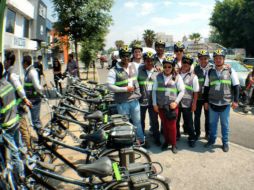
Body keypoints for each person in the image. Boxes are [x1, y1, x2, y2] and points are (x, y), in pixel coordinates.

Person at [107, 45, 146, 146]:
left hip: (134, 101)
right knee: (125, 124)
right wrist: (124, 89)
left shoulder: (132, 65)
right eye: (124, 56)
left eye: (128, 55)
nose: (126, 58)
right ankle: (128, 143)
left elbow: (135, 80)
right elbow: (110, 86)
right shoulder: (114, 70)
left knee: (137, 122)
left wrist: (138, 93)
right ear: (120, 56)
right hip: (122, 103)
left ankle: (141, 140)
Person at [204, 49, 240, 152]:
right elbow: (206, 87)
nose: (218, 60)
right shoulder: (210, 71)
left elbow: (236, 86)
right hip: (212, 103)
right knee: (212, 124)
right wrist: (206, 102)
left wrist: (236, 101)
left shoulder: (230, 70)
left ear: (224, 59)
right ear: (214, 60)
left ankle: (225, 142)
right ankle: (211, 140)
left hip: (225, 103)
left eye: (220, 58)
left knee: (225, 125)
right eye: (216, 58)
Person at [152, 56, 185, 153]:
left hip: (172, 107)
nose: (167, 68)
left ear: (173, 67)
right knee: (165, 126)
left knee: (172, 126)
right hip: (161, 106)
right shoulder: (158, 76)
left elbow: (182, 91)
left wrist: (176, 102)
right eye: (165, 66)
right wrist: (154, 104)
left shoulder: (177, 77)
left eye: (169, 67)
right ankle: (166, 142)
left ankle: (174, 144)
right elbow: (154, 91)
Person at [0, 61, 25, 183]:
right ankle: (25, 167)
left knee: (14, 153)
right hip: (15, 121)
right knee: (19, 147)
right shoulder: (8, 84)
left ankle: (21, 177)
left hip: (7, 126)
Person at [4, 52, 33, 152]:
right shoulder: (7, 73)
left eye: (5, 60)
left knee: (23, 129)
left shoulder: (12, 75)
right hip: (14, 107)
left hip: (19, 106)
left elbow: (19, 89)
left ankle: (29, 152)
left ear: (8, 61)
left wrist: (25, 99)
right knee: (20, 131)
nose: (4, 62)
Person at [138, 51, 160, 146]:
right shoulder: (139, 70)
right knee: (141, 121)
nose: (149, 62)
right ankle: (142, 139)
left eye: (151, 60)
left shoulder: (158, 72)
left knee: (154, 120)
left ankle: (157, 138)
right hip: (142, 100)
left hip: (153, 101)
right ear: (144, 61)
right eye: (147, 60)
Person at [176, 54, 199, 147]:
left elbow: (196, 92)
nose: (186, 64)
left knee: (189, 122)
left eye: (188, 62)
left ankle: (192, 137)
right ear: (181, 62)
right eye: (184, 61)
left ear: (190, 64)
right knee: (176, 121)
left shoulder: (194, 77)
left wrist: (194, 104)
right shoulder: (175, 74)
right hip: (176, 103)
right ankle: (176, 135)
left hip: (187, 103)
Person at [22, 55, 44, 137]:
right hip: (31, 99)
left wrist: (42, 92)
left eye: (22, 63)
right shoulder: (28, 71)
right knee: (35, 119)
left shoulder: (32, 72)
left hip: (35, 99)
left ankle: (41, 139)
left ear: (25, 63)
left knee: (35, 121)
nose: (21, 64)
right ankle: (41, 136)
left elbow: (37, 87)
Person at [194, 50, 213, 140]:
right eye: (201, 59)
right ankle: (197, 133)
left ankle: (207, 134)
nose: (203, 60)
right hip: (198, 97)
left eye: (205, 58)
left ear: (208, 59)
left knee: (208, 117)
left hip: (208, 98)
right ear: (198, 59)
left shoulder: (212, 68)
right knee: (197, 117)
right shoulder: (196, 69)